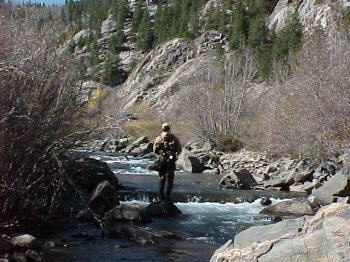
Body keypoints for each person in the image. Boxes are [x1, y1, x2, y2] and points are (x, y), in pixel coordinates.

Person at [153, 123, 182, 201]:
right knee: (169, 178)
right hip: (171, 160)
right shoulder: (174, 138)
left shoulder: (159, 138)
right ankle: (167, 197)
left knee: (162, 177)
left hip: (162, 159)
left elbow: (155, 150)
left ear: (162, 129)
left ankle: (161, 195)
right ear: (169, 129)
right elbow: (179, 150)